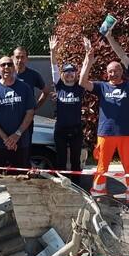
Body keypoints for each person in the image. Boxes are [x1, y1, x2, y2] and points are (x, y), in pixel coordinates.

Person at [79, 37, 129, 206]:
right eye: (110, 71)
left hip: (125, 134)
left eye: (116, 70)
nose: (113, 73)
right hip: (105, 133)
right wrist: (88, 60)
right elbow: (82, 82)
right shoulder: (102, 86)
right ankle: (99, 194)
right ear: (107, 73)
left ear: (122, 71)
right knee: (101, 167)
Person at [0, 55, 36, 172]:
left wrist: (17, 135)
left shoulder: (25, 88)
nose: (6, 67)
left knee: (20, 179)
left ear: (14, 68)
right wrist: (6, 138)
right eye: (3, 65)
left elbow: (30, 113)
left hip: (20, 143)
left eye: (9, 64)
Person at [48, 35, 85, 186]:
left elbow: (86, 70)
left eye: (72, 72)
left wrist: (88, 53)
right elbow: (53, 68)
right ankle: (62, 185)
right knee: (61, 159)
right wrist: (53, 51)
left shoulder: (80, 87)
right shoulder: (59, 86)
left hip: (76, 129)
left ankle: (77, 185)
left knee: (76, 160)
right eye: (66, 72)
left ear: (76, 74)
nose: (69, 74)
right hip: (61, 129)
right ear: (63, 74)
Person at [13, 46, 49, 165]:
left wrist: (35, 107)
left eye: (22, 57)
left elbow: (46, 91)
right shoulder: (6, 74)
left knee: (25, 150)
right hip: (9, 120)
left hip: (26, 121)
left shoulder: (33, 75)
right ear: (13, 58)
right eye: (17, 57)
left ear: (27, 59)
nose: (20, 60)